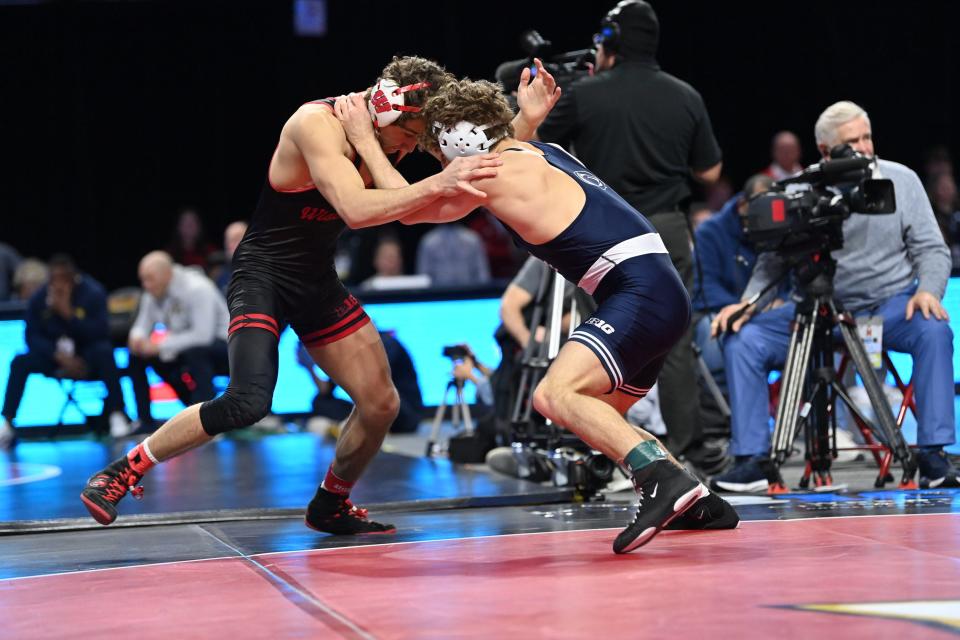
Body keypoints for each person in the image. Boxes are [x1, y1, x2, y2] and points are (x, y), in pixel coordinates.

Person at [79, 56, 502, 535]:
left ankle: (329, 504)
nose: (411, 147)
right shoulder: (315, 123)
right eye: (409, 136)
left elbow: (416, 209)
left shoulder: (386, 135)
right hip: (264, 276)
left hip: (316, 281)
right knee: (247, 401)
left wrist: (516, 131)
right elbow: (360, 210)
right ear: (384, 112)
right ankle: (121, 471)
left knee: (381, 403)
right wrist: (382, 152)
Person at [339, 76, 738, 553]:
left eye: (440, 152)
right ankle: (695, 499)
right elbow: (512, 143)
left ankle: (662, 482)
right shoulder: (542, 151)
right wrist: (526, 120)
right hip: (658, 289)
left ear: (460, 140)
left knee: (555, 394)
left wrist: (365, 138)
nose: (443, 165)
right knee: (601, 414)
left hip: (637, 291)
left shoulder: (489, 172)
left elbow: (403, 211)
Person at [516, 0, 724, 471]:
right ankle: (688, 450)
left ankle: (609, 455)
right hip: (666, 230)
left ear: (609, 41)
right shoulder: (685, 95)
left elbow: (528, 140)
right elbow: (710, 170)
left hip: (608, 232)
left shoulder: (587, 94)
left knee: (605, 344)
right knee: (674, 339)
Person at [711, 100, 959, 492]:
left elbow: (932, 248)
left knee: (934, 330)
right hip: (813, 311)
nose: (863, 147)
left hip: (886, 307)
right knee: (744, 338)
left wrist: (929, 290)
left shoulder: (902, 179)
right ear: (826, 152)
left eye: (867, 137)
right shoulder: (800, 189)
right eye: (851, 141)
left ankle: (932, 455)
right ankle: (754, 461)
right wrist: (749, 302)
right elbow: (771, 261)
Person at [1, 254, 130, 448]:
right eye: (54, 280)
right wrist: (57, 355)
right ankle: (8, 423)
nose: (58, 285)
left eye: (63, 280)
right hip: (55, 358)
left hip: (86, 355)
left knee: (104, 352)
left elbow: (101, 332)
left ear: (73, 278)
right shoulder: (40, 297)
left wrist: (68, 313)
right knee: (20, 361)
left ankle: (117, 414)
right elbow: (31, 336)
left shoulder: (93, 292)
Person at [127, 251, 230, 431]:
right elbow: (142, 325)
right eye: (143, 280)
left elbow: (202, 335)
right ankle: (145, 422)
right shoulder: (153, 292)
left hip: (223, 348)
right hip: (183, 347)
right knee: (137, 356)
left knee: (195, 352)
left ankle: (206, 422)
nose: (146, 285)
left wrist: (159, 346)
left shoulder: (197, 288)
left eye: (149, 279)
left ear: (167, 274)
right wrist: (137, 339)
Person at [416, 221, 491, 287]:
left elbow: (482, 272)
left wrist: (482, 293)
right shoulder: (429, 241)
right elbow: (423, 273)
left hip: (468, 292)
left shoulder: (472, 239)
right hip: (438, 294)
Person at [216, 220, 249, 292]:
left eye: (236, 239)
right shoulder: (221, 276)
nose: (230, 245)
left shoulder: (264, 274)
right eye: (228, 240)